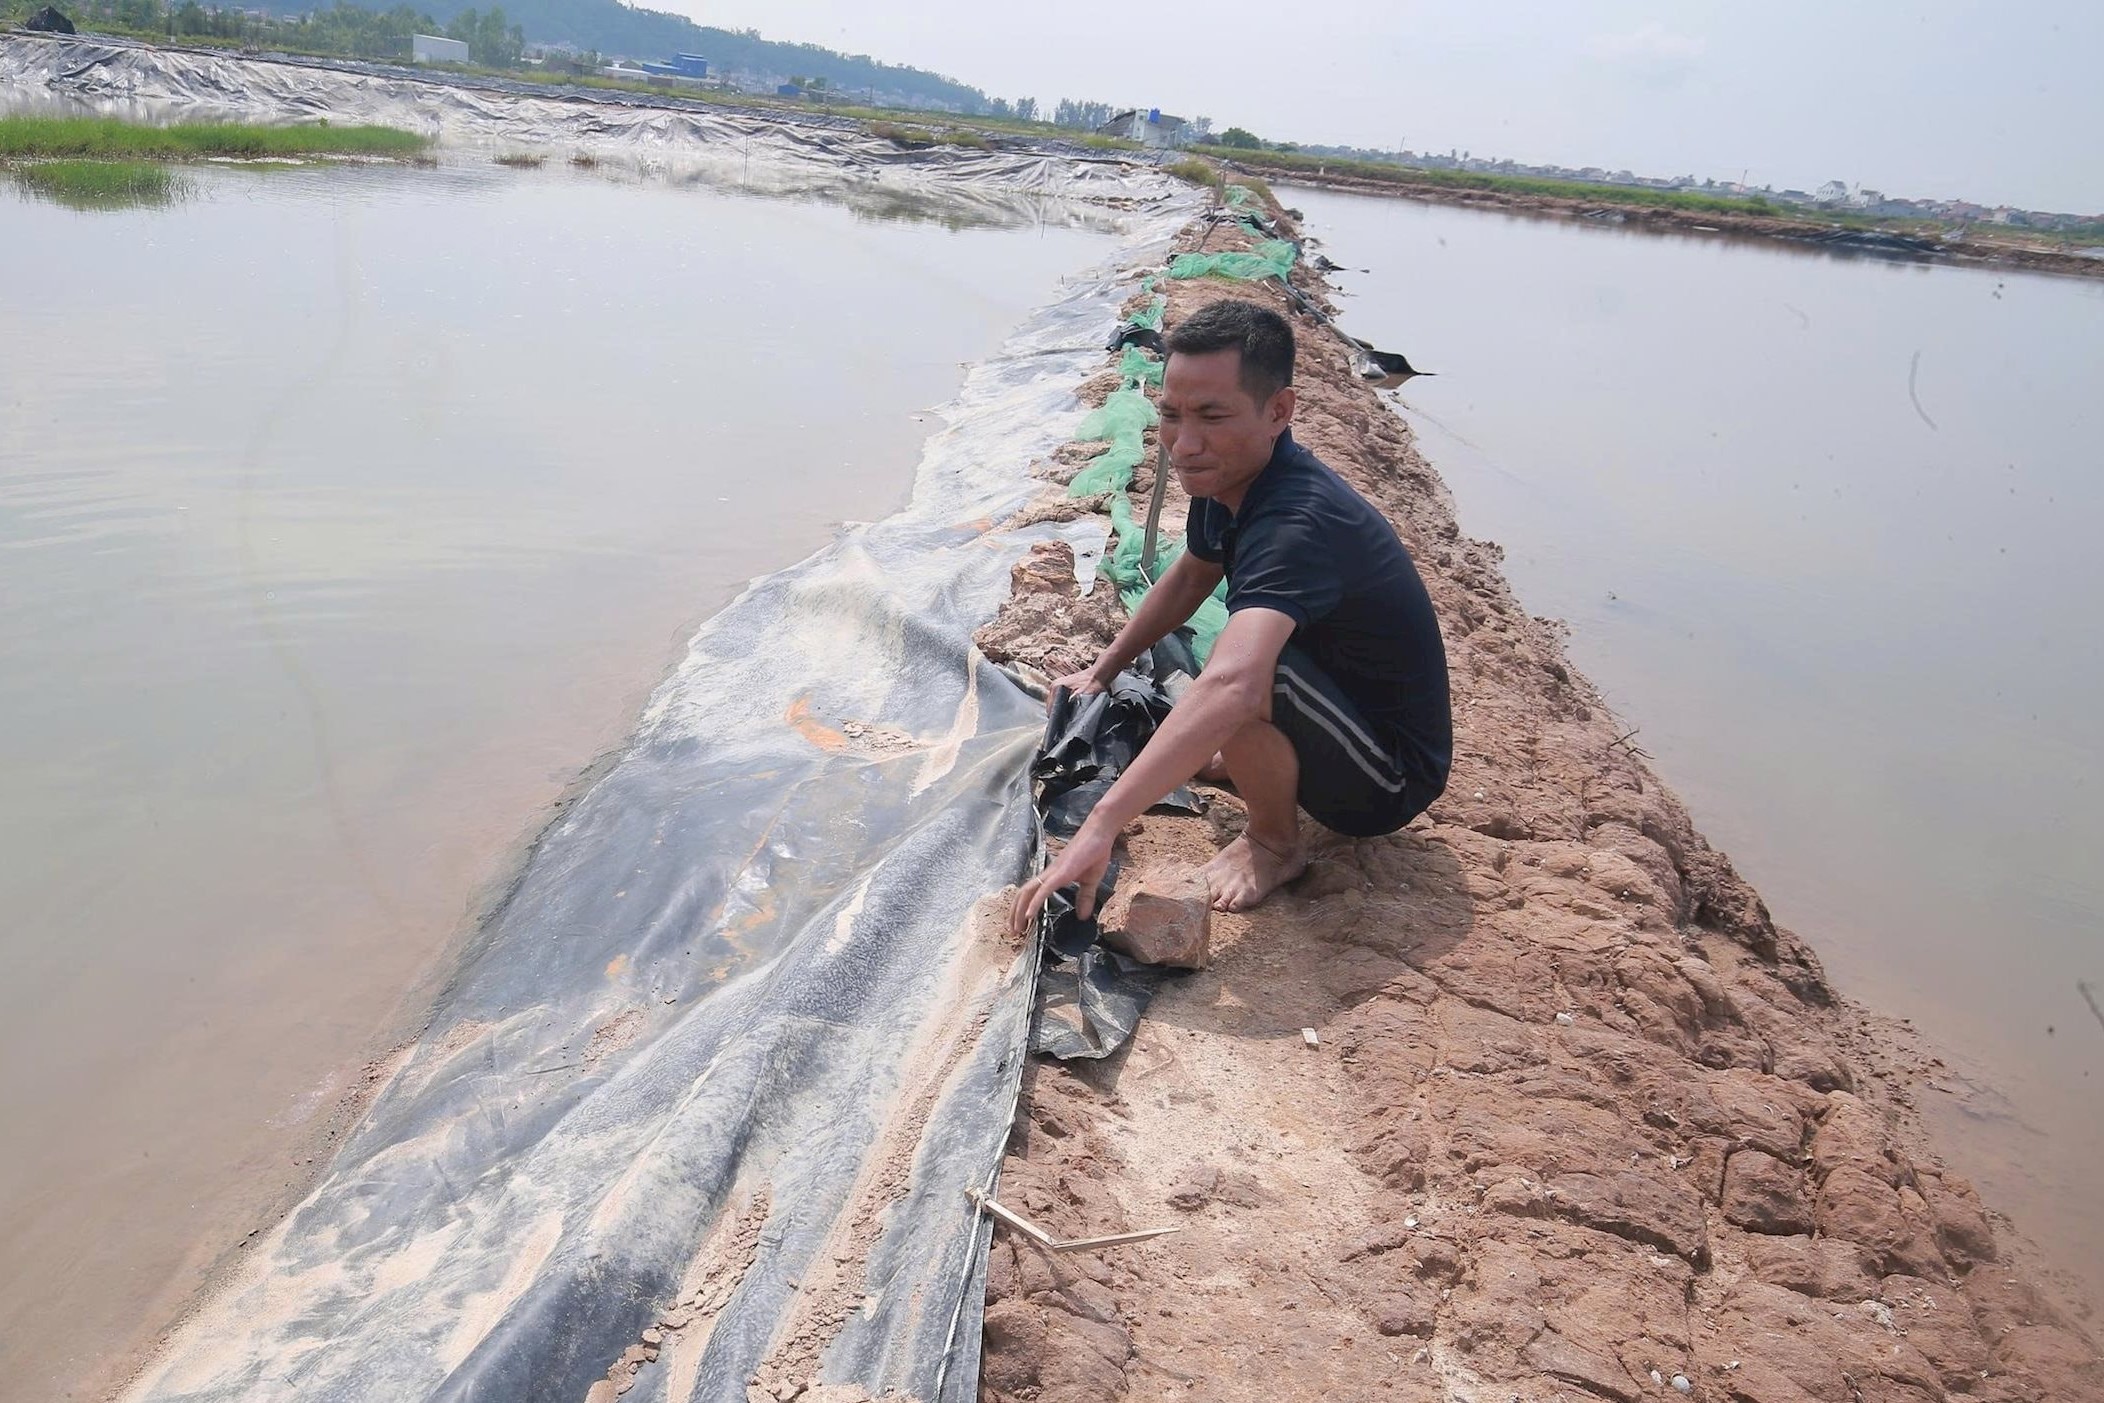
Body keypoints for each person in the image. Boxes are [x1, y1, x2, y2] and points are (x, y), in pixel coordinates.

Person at [1009, 298, 1452, 933]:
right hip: (1336, 710)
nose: (1185, 445)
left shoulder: (1297, 521)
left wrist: (1102, 823)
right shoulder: (1230, 476)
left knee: (1243, 670)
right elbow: (1193, 574)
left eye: (1212, 416)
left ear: (1279, 411)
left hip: (1386, 779)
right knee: (1234, 670)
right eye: (1171, 415)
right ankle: (1263, 761)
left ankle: (1274, 843)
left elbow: (1238, 685)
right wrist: (1102, 671)